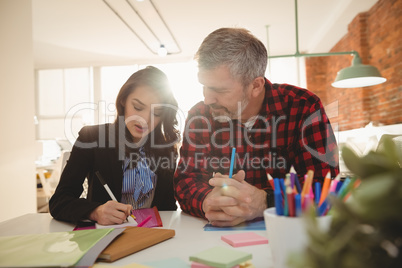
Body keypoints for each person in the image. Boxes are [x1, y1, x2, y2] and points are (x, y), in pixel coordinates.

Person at [173, 28, 339, 227]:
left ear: (256, 86)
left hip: (283, 233)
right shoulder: (199, 116)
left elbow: (325, 185)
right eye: (204, 86)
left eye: (219, 90)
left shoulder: (302, 106)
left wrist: (266, 202)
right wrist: (208, 201)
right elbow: (185, 181)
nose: (207, 99)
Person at [49, 66, 180, 225]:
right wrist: (95, 212)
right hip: (106, 236)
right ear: (123, 100)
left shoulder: (166, 150)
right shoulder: (92, 138)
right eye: (138, 107)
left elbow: (168, 209)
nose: (145, 119)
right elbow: (59, 202)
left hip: (150, 236)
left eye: (157, 113)